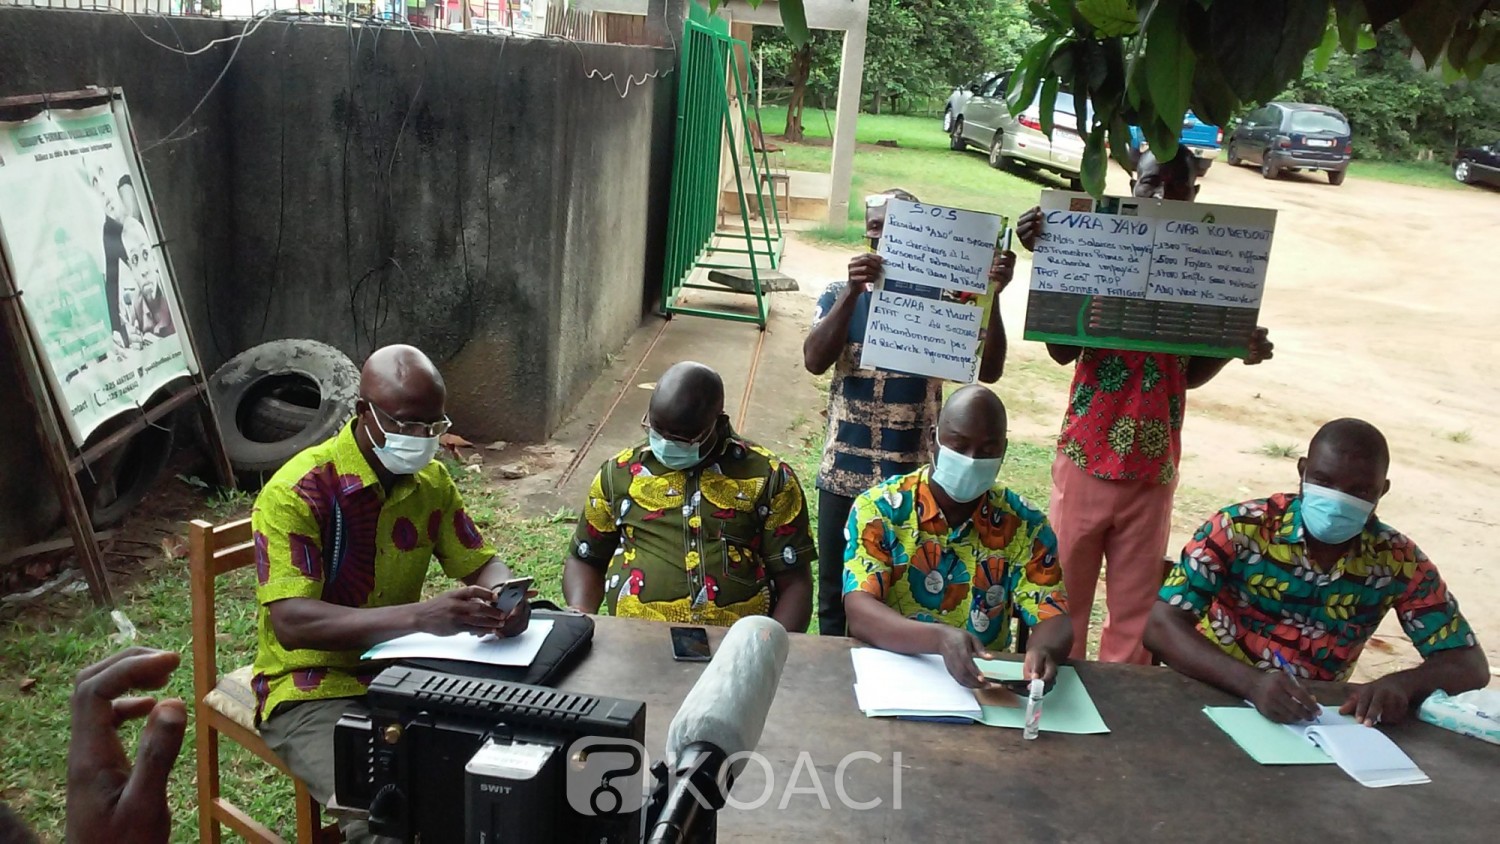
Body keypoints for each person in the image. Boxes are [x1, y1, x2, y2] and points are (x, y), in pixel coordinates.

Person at [253, 344, 531, 843]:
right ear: (364, 412)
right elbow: (292, 623)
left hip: (402, 675)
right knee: (384, 815)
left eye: (433, 426)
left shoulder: (430, 481)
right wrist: (421, 617)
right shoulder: (298, 491)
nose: (421, 439)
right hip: (311, 686)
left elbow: (480, 561)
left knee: (495, 775)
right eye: (406, 425)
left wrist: (504, 597)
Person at [1016, 151, 1274, 664]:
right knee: (1064, 598)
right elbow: (1062, 350)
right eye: (1151, 183)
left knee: (1135, 613)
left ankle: (1121, 705)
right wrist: (1054, 262)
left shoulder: (1203, 274)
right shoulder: (1100, 249)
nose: (1160, 196)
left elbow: (1188, 374)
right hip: (1086, 458)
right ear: (1133, 185)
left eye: (1175, 187)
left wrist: (1231, 346)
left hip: (1152, 469)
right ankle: (1052, 691)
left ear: (1193, 196)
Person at [1146, 418, 1488, 725]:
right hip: (1211, 691)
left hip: (1311, 720)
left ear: (1381, 491)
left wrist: (1402, 684)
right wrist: (1251, 683)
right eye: (1324, 481)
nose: (1337, 501)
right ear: (1303, 471)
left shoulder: (1397, 561)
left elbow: (1469, 664)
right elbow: (1161, 625)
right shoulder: (1240, 528)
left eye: (1359, 491)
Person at [804, 188, 1016, 636]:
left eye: (894, 231)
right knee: (836, 601)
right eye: (876, 231)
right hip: (844, 474)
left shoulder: (949, 301)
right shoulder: (839, 295)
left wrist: (992, 295)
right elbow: (814, 360)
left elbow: (990, 371)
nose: (882, 242)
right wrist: (852, 293)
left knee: (905, 594)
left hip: (915, 481)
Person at [843, 386, 1072, 688]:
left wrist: (1044, 650)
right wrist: (938, 639)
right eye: (959, 445)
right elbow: (859, 609)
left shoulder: (1024, 524)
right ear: (933, 439)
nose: (971, 460)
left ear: (1003, 452)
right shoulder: (881, 510)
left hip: (984, 684)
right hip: (891, 676)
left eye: (987, 451)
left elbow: (1053, 614)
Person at [563, 361, 815, 632]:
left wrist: (768, 648)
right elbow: (585, 558)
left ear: (718, 422)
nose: (666, 444)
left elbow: (795, 583)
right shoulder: (620, 473)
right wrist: (581, 611)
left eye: (682, 439)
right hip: (634, 639)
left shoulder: (769, 478)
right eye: (656, 430)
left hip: (735, 643)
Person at [120, 218, 174, 340]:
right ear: (130, 268)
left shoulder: (173, 292)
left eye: (145, 254)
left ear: (154, 257)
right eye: (135, 259)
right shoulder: (133, 311)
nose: (143, 270)